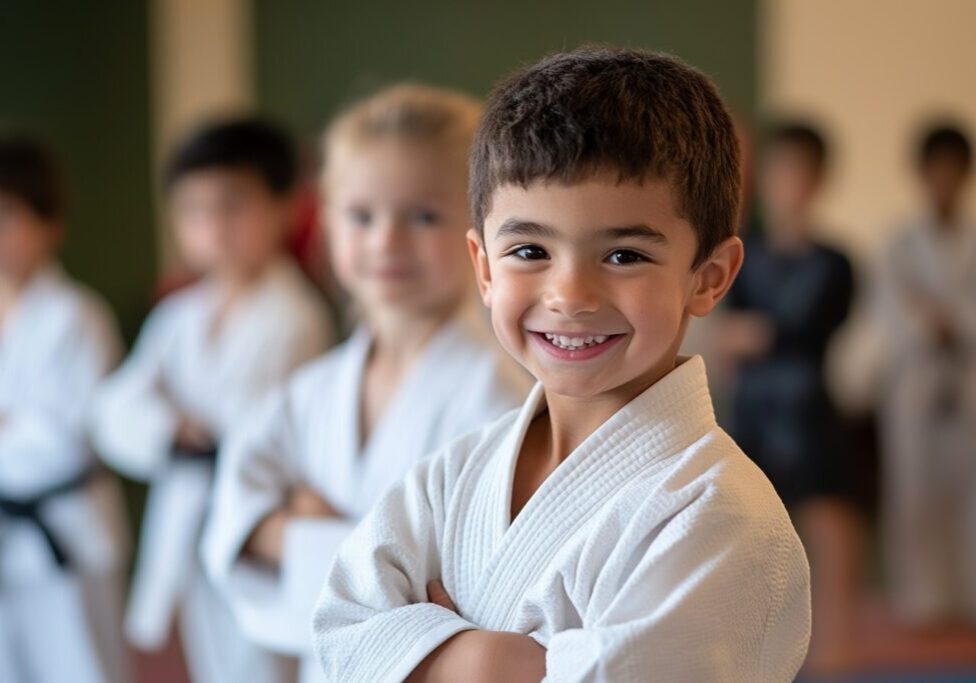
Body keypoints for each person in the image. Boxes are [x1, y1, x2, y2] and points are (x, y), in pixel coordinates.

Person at [312, 47, 811, 683]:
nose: (570, 295)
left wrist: (437, 654)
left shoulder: (717, 517)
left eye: (625, 256)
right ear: (484, 269)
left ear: (708, 278)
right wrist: (515, 661)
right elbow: (338, 630)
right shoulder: (454, 474)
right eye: (529, 249)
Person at [202, 84, 530, 683]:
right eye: (361, 215)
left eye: (424, 215)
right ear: (324, 221)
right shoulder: (314, 390)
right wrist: (363, 550)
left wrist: (301, 528)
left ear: (484, 229)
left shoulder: (495, 391)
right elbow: (236, 510)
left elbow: (463, 588)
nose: (386, 241)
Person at [90, 117, 332, 683]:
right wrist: (169, 428)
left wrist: (187, 423)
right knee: (206, 661)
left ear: (284, 208)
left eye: (232, 207)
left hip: (257, 518)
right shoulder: (178, 315)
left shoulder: (293, 316)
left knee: (257, 662)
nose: (213, 228)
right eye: (194, 211)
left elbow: (255, 428)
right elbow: (115, 406)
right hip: (190, 509)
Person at [717, 122, 861, 674]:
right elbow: (725, 334)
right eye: (781, 169)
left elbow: (798, 330)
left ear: (821, 180)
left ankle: (837, 661)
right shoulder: (739, 255)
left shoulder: (836, 261)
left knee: (830, 531)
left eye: (802, 171)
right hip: (753, 413)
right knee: (749, 544)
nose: (789, 183)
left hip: (809, 412)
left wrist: (754, 335)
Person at [0, 133, 129, 683]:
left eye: (7, 214)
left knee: (80, 667)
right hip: (8, 535)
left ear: (51, 223)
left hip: (68, 535)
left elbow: (67, 441)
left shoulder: (78, 316)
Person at [877, 123, 976, 626]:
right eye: (934, 169)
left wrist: (952, 320)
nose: (944, 180)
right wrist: (926, 323)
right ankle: (923, 601)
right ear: (921, 174)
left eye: (953, 170)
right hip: (916, 386)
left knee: (971, 495)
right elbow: (890, 314)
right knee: (915, 493)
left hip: (968, 382)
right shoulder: (899, 244)